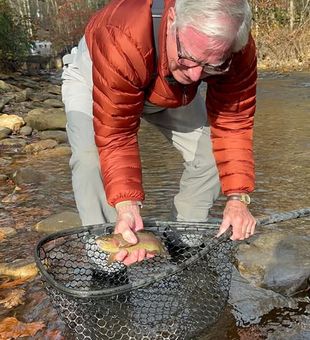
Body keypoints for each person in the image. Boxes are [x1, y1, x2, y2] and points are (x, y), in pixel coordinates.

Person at [62, 0, 257, 266]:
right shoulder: (121, 34)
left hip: (169, 89)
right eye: (189, 57)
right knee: (90, 160)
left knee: (212, 151)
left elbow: (233, 123)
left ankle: (183, 239)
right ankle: (106, 259)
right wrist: (127, 205)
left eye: (212, 65)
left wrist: (237, 198)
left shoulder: (235, 45)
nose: (197, 74)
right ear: (174, 19)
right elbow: (117, 135)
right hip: (99, 77)